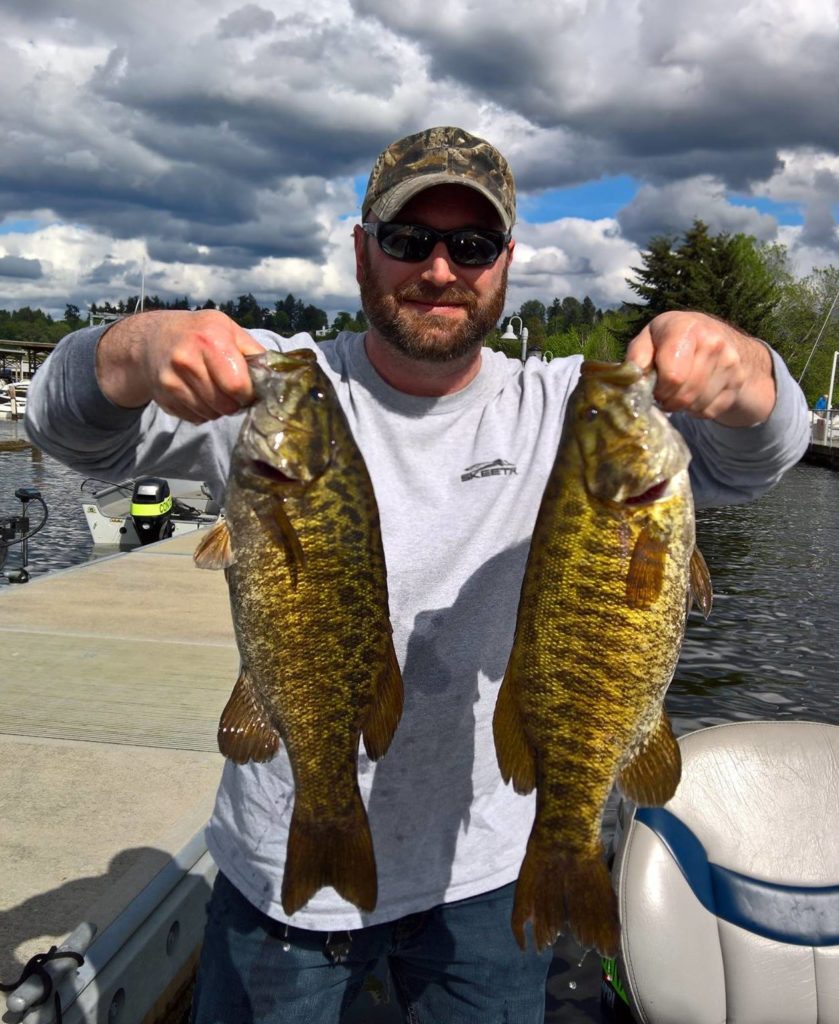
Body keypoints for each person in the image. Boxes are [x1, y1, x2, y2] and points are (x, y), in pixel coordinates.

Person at [26, 126, 810, 1023]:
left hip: (488, 873)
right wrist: (131, 349)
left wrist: (745, 365)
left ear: (505, 260)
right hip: (282, 874)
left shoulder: (570, 408)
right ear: (361, 249)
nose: (439, 270)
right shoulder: (273, 387)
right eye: (408, 239)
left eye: (471, 245)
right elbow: (65, 429)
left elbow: (760, 454)